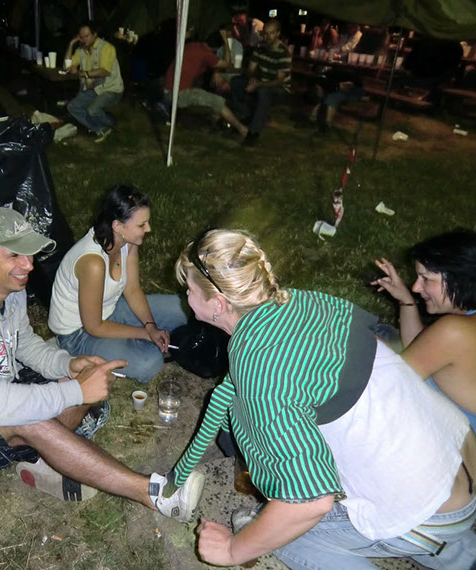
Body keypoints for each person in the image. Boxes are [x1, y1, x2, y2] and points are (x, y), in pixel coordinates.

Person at [168, 229, 476, 568]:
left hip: (429, 506)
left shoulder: (262, 370)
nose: (186, 296)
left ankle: (434, 539)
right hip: (460, 460)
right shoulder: (303, 303)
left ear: (218, 304)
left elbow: (310, 502)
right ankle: (458, 553)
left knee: (280, 532)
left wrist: (233, 550)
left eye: (189, 290)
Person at [0, 206, 204, 516]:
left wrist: (68, 365)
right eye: (14, 255)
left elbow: (25, 343)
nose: (28, 265)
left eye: (29, 253)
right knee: (35, 415)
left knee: (83, 378)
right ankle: (155, 494)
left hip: (0, 381)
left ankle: (43, 456)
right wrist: (74, 392)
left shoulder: (10, 288)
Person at [48, 185, 187, 383]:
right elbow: (94, 327)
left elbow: (132, 290)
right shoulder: (93, 263)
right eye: (142, 225)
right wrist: (145, 333)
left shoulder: (127, 243)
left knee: (182, 309)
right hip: (77, 333)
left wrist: (151, 326)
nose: (148, 229)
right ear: (118, 226)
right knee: (148, 363)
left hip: (110, 309)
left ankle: (124, 341)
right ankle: (85, 355)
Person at [371, 230, 476, 430]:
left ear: (458, 280)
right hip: (454, 414)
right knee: (381, 335)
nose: (416, 288)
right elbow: (423, 349)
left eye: (426, 279)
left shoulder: (454, 331)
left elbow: (391, 383)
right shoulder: (465, 323)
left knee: (369, 337)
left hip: (457, 437)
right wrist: (406, 300)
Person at [163, 28, 249, 138]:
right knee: (218, 102)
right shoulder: (206, 54)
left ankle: (212, 123)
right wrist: (226, 44)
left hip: (167, 89)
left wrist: (216, 72)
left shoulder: (192, 45)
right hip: (178, 94)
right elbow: (227, 64)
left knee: (208, 97)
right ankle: (242, 129)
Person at [229, 20, 292, 147]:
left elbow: (279, 81)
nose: (267, 37)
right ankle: (245, 115)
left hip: (280, 89)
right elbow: (251, 69)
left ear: (278, 33)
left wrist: (258, 84)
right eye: (265, 33)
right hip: (261, 82)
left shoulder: (283, 52)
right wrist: (252, 79)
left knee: (264, 92)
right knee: (236, 82)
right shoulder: (260, 47)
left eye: (271, 33)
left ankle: (254, 132)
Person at [64, 21, 124, 143]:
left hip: (110, 89)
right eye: (81, 37)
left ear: (95, 34)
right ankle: (100, 128)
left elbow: (104, 71)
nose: (83, 39)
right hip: (93, 89)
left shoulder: (106, 48)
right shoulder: (81, 50)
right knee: (72, 107)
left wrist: (83, 73)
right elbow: (66, 66)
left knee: (92, 111)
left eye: (86, 36)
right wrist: (71, 44)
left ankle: (112, 122)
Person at [308, 67, 364, 132]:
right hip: (341, 85)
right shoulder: (321, 80)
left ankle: (326, 124)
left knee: (332, 98)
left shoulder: (329, 80)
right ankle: (314, 120)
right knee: (327, 97)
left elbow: (349, 84)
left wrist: (341, 86)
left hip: (354, 88)